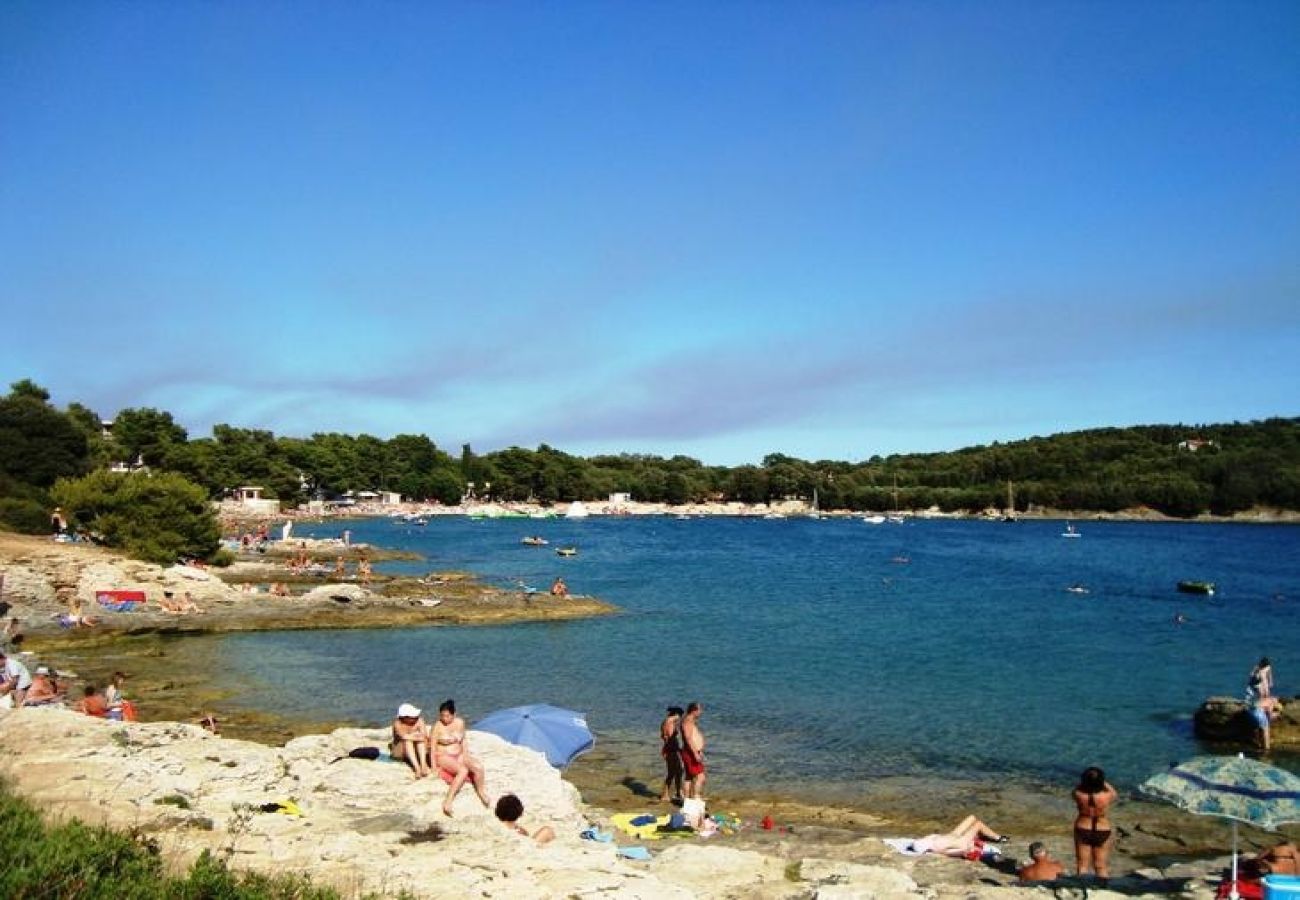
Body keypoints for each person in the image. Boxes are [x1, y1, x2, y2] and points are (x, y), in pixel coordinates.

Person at [430, 699, 490, 816]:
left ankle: (481, 792)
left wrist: (466, 754)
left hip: (459, 753)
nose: (444, 718)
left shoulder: (460, 723)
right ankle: (448, 801)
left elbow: (463, 740)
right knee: (463, 771)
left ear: (454, 714)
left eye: (447, 716)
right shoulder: (437, 726)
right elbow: (432, 748)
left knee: (478, 767)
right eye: (442, 715)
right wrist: (433, 767)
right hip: (443, 755)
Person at [1072, 766, 1118, 879]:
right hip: (1102, 829)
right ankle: (1103, 887)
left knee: (1082, 864)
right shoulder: (1106, 796)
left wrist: (1087, 782)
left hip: (1083, 827)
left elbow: (1075, 790)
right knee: (1100, 866)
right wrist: (1102, 782)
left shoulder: (1079, 795)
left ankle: (1082, 886)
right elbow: (1114, 793)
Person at [910, 814, 1008, 856]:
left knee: (971, 817)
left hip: (954, 835)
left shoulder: (931, 839)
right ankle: (997, 837)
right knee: (978, 824)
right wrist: (968, 849)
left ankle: (985, 835)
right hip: (963, 841)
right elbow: (957, 852)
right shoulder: (937, 849)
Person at [390, 703, 432, 779]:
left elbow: (424, 735)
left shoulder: (419, 720)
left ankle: (423, 765)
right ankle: (417, 768)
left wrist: (417, 736)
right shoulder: (397, 724)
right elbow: (404, 736)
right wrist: (416, 736)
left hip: (416, 747)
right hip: (400, 749)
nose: (415, 718)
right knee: (408, 741)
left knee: (419, 740)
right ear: (404, 718)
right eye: (412, 717)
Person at [659, 705, 685, 802]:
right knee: (675, 772)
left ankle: (678, 792)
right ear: (677, 715)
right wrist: (678, 750)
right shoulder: (670, 722)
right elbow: (670, 738)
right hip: (672, 750)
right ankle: (666, 794)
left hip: (668, 750)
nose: (679, 719)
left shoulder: (665, 721)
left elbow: (664, 736)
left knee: (676, 771)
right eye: (680, 717)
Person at [681, 701, 706, 799]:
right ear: (694, 711)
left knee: (689, 777)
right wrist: (695, 753)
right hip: (690, 753)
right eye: (699, 710)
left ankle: (687, 800)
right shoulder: (688, 721)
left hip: (690, 751)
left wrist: (700, 750)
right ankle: (696, 798)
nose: (701, 712)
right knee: (701, 777)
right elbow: (688, 738)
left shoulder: (689, 720)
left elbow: (693, 736)